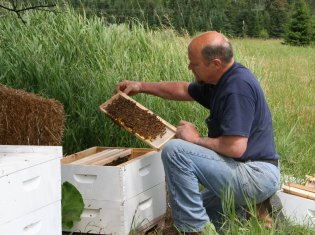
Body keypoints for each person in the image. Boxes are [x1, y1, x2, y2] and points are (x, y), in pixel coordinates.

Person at [116, 31, 280, 234]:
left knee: (175, 150)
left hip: (254, 174)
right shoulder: (221, 81)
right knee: (201, 207)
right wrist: (140, 86)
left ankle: (196, 231)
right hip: (245, 171)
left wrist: (195, 139)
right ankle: (245, 215)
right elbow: (183, 90)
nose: (190, 67)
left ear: (216, 64)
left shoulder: (237, 88)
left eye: (194, 63)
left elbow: (235, 148)